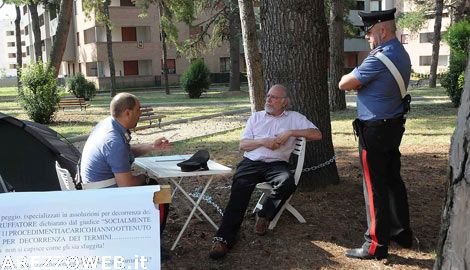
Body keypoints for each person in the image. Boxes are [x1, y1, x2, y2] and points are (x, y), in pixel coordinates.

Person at [209, 84, 322, 259]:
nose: (268, 99)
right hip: (251, 162)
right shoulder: (256, 117)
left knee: (287, 183)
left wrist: (291, 132)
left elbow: (317, 134)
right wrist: (263, 142)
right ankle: (223, 239)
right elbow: (243, 145)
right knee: (239, 191)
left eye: (274, 97)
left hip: (277, 164)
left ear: (284, 102)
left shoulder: (294, 118)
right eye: (268, 96)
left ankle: (264, 214)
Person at [338, 8, 413, 260]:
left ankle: (375, 245)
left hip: (375, 130)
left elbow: (344, 83)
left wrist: (353, 78)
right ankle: (401, 232)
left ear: (382, 29)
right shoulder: (400, 53)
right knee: (393, 180)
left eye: (369, 32)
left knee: (374, 187)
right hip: (393, 125)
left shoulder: (378, 58)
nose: (367, 37)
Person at [79, 92, 171, 235]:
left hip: (93, 191)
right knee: (160, 192)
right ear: (128, 113)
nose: (140, 114)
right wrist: (144, 177)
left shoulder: (106, 125)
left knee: (151, 184)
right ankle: (152, 243)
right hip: (105, 198)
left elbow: (125, 153)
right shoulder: (114, 140)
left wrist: (152, 146)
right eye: (138, 110)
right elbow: (126, 185)